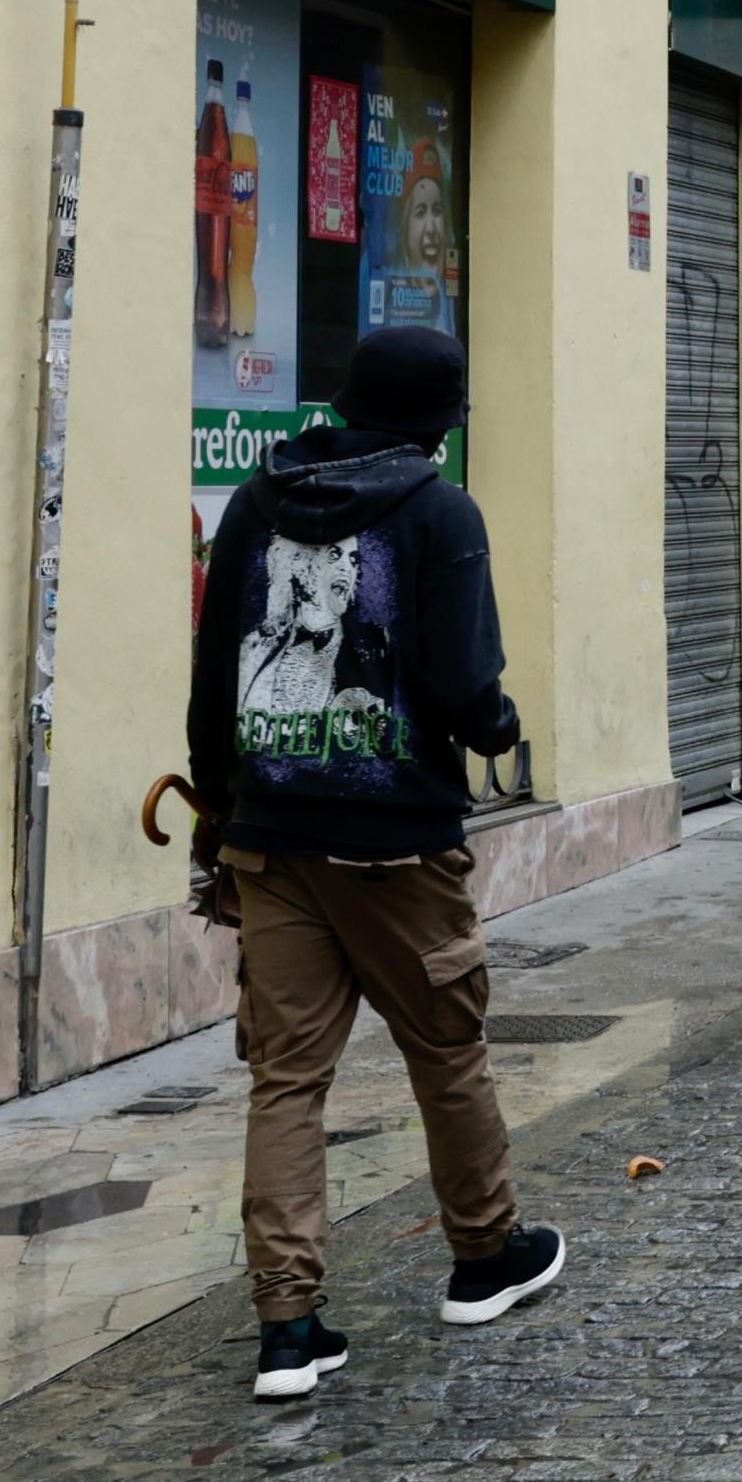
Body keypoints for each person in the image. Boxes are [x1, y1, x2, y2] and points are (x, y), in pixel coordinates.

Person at [185, 325, 565, 1400]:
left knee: (286, 1077)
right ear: (438, 422)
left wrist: (221, 804)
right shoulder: (440, 512)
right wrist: (495, 723)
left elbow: (215, 672)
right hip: (396, 838)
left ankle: (288, 1326)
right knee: (446, 1047)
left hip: (273, 833)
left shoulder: (255, 502)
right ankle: (484, 1256)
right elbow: (460, 684)